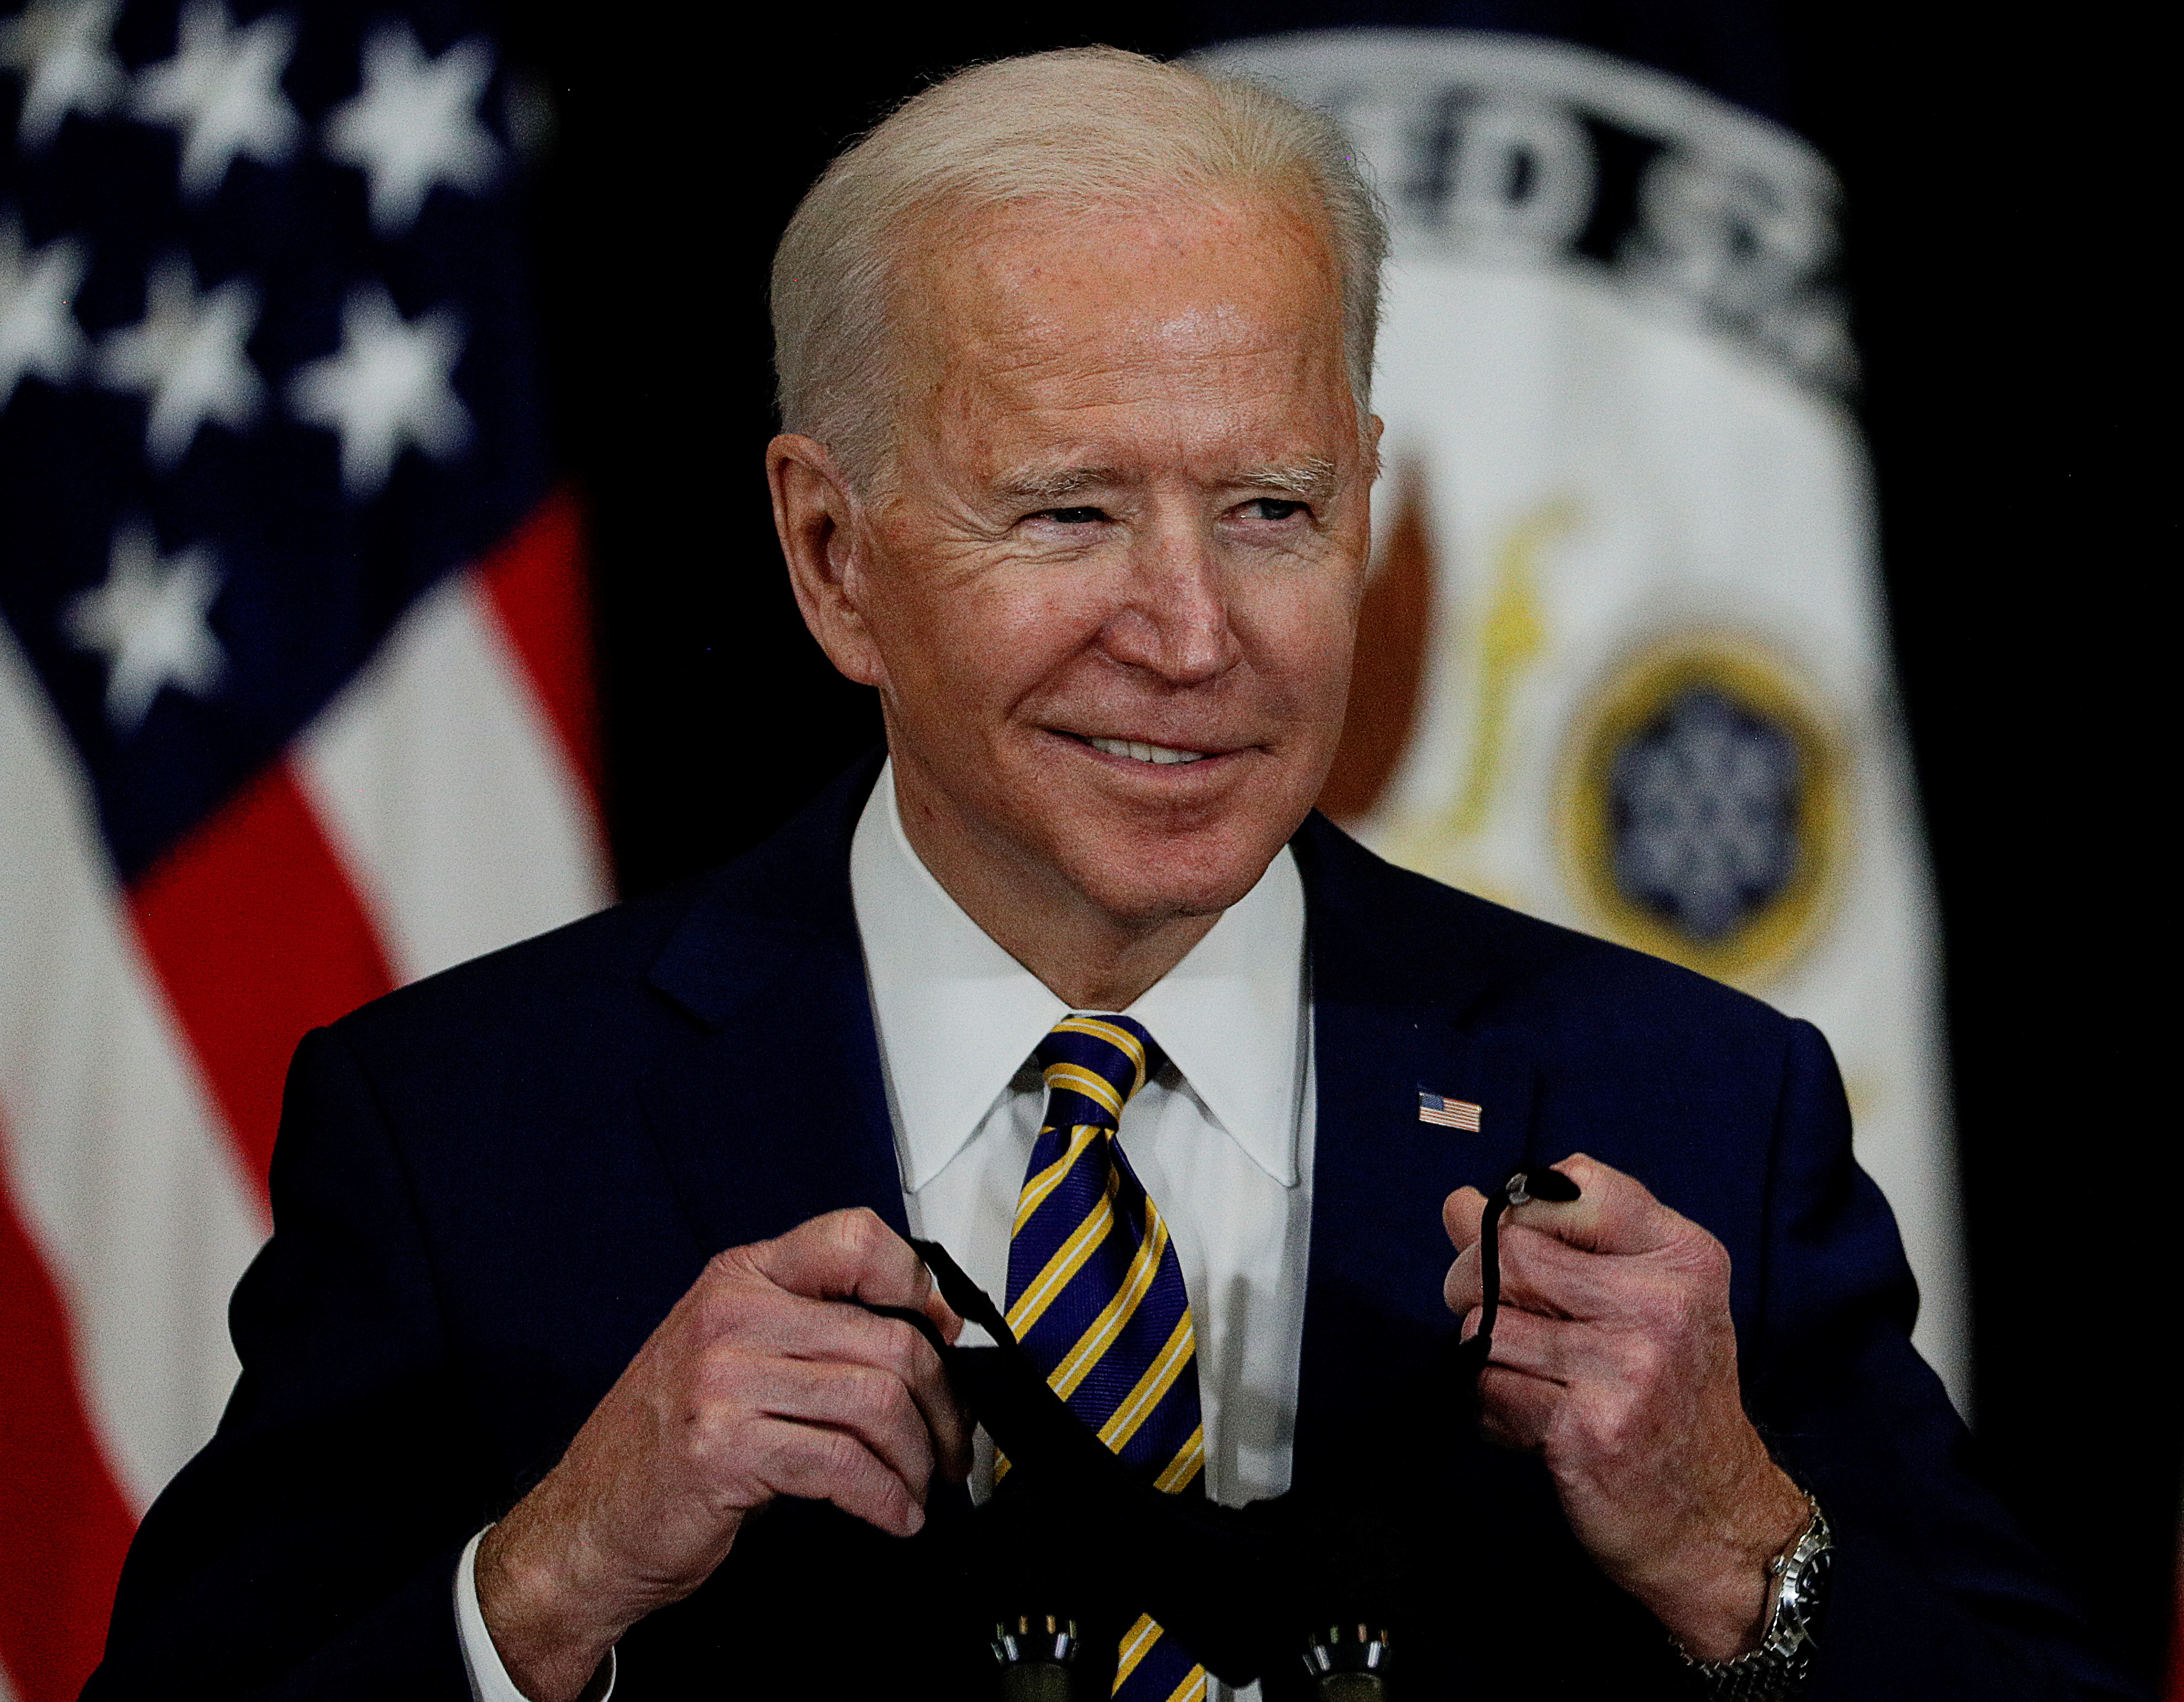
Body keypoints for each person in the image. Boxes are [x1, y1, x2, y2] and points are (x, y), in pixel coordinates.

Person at [86, 46, 2130, 1702]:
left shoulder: (1693, 1105)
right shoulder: (468, 1133)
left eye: (1268, 506)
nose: (1190, 631)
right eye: (1067, 514)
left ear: (1368, 511)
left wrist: (1734, 1543)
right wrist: (542, 1584)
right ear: (831, 556)